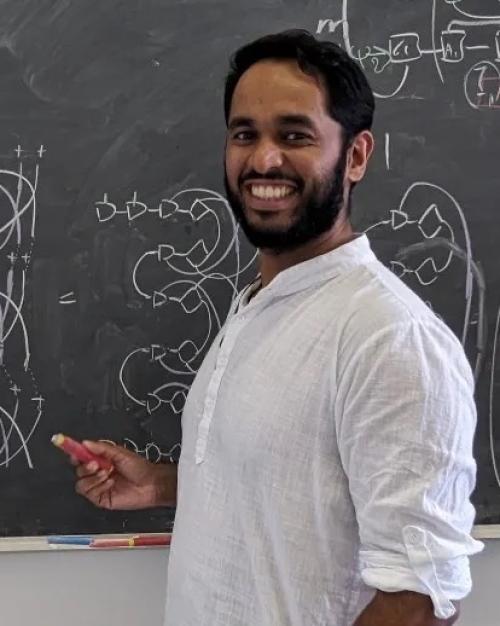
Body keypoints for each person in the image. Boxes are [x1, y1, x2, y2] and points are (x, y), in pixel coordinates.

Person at [74, 30, 483, 626]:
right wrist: (163, 485)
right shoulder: (259, 304)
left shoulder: (388, 338)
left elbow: (419, 598)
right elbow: (295, 491)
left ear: (357, 155)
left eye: (294, 135)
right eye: (246, 134)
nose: (263, 160)